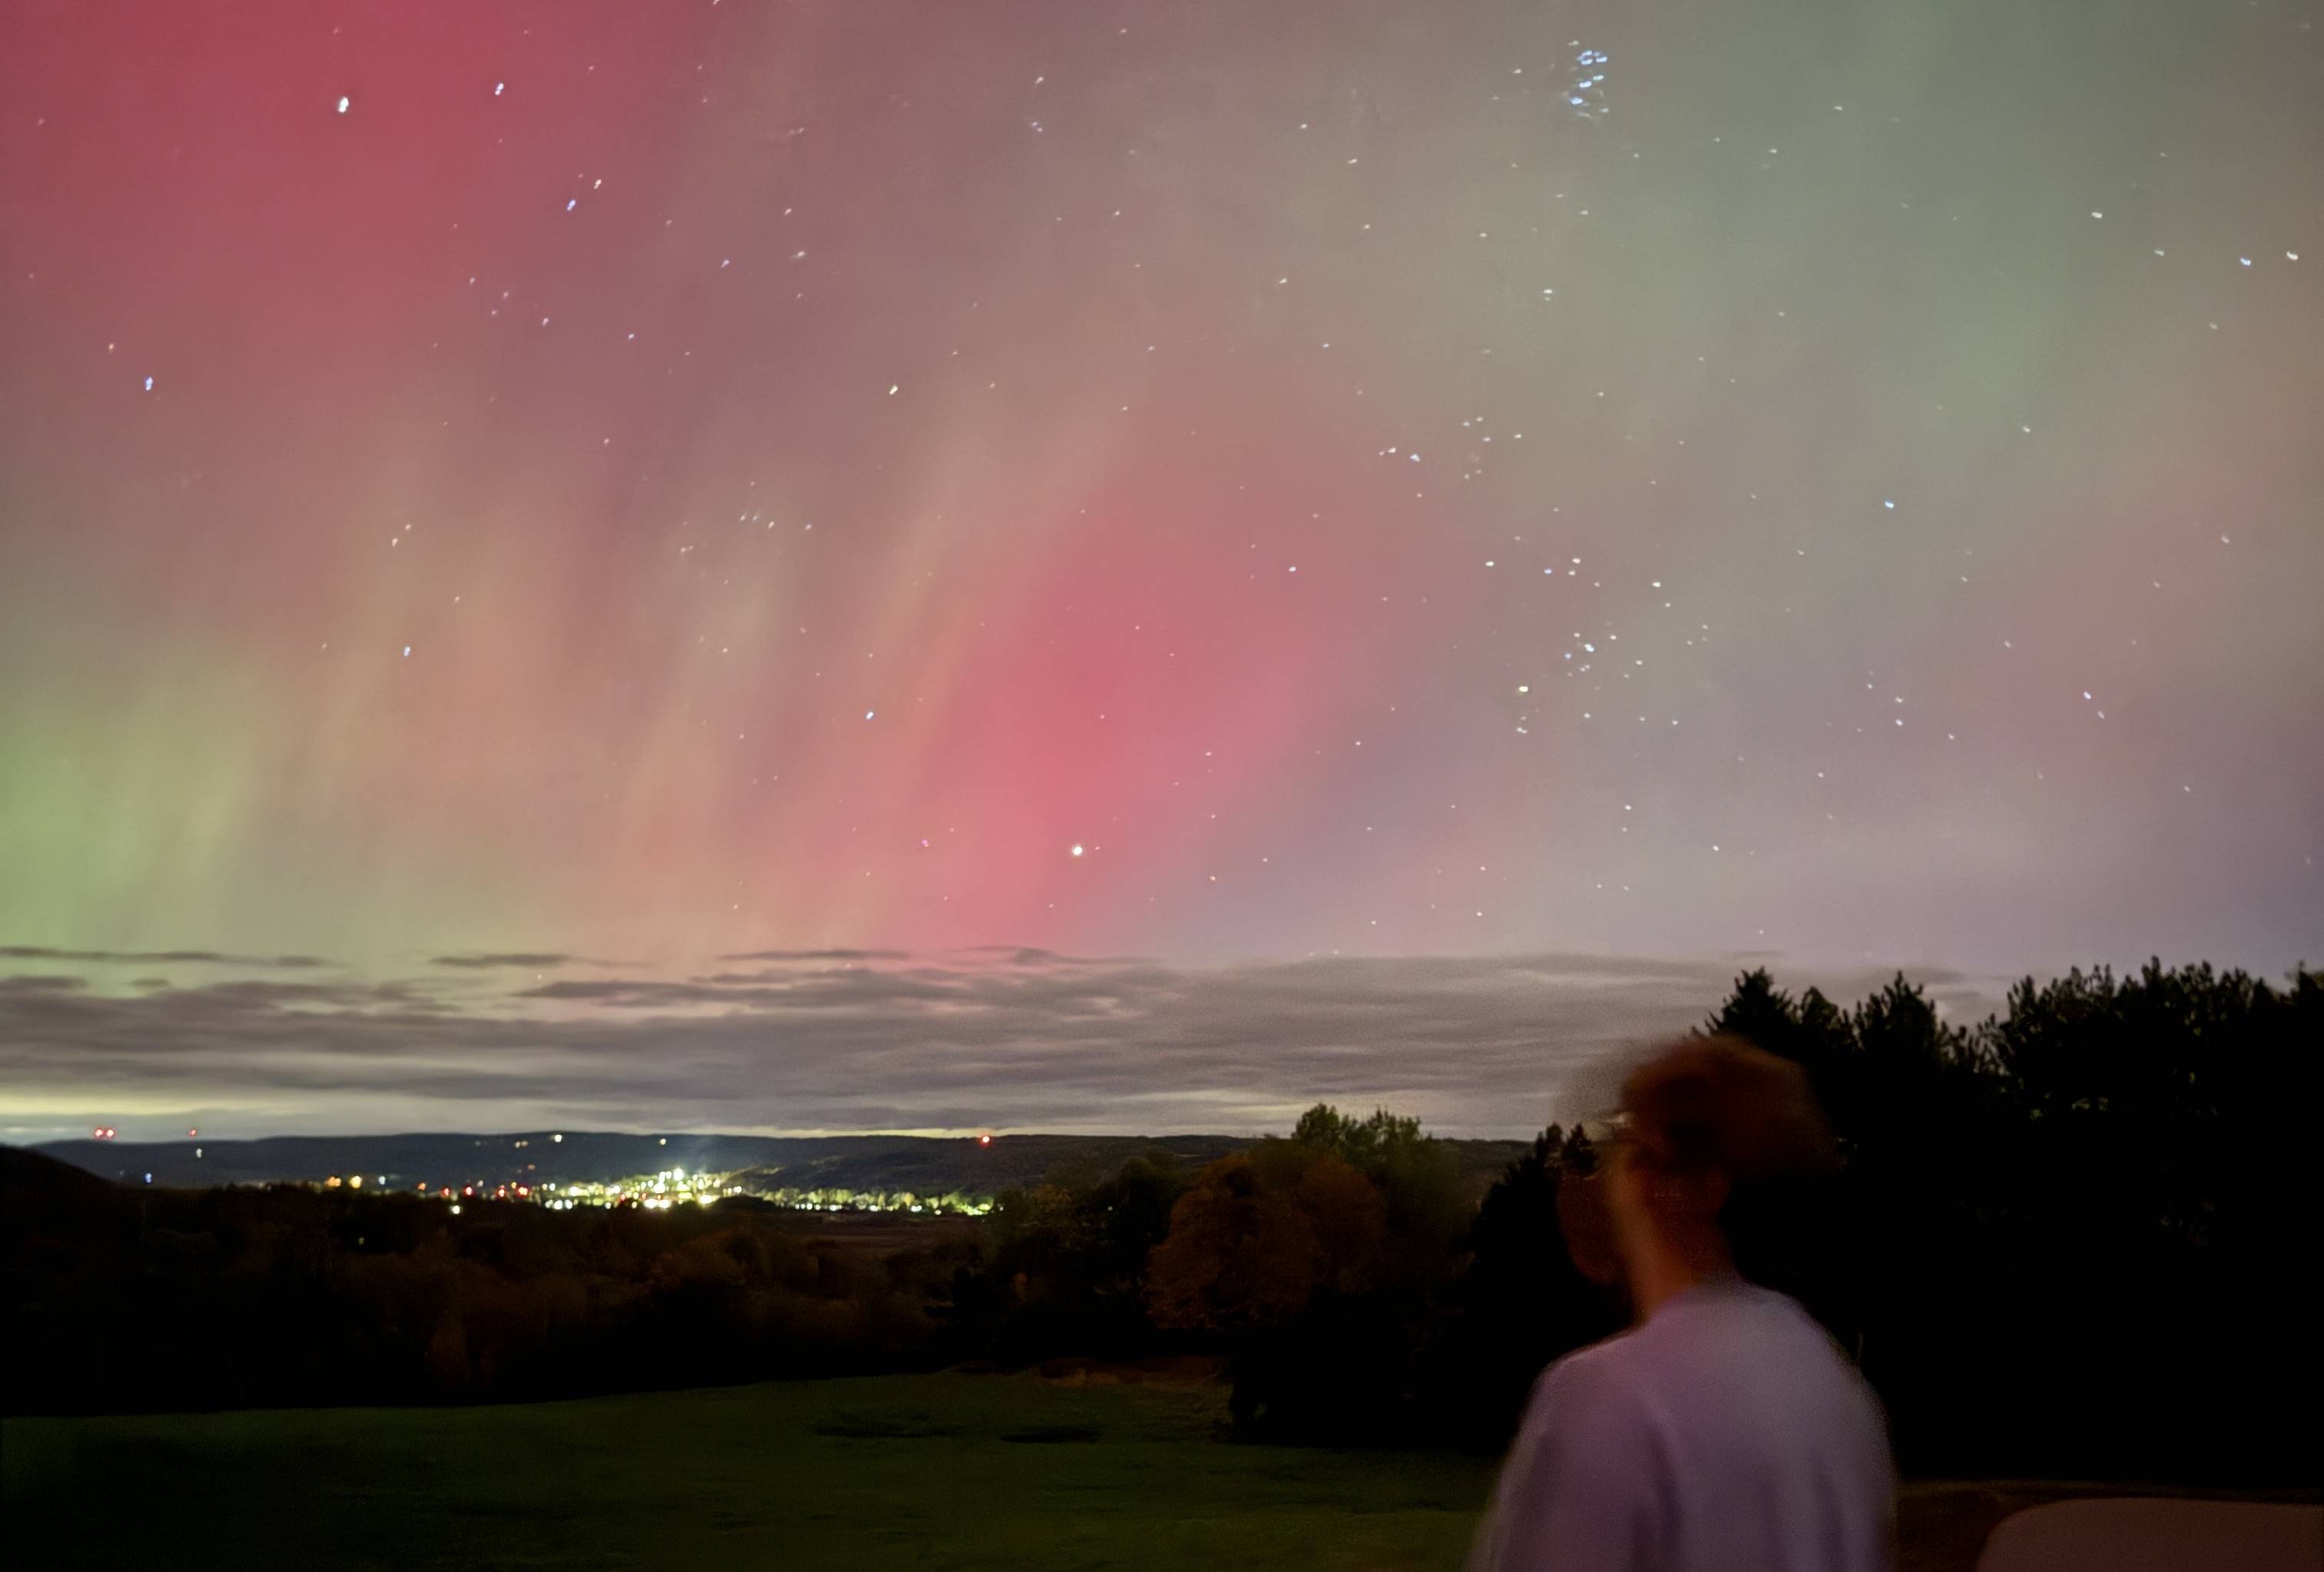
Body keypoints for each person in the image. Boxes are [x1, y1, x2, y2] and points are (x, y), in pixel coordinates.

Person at [1470, 1036, 1895, 1572]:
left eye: (1623, 1138)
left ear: (1672, 1185)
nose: (1603, 1171)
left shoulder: (1609, 1396)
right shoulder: (1834, 1384)